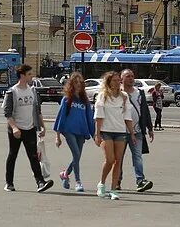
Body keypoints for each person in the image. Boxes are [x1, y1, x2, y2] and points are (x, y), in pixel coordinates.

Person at [2, 64, 53, 193]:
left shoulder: (33, 91)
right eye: (29, 74)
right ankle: (9, 183)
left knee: (33, 156)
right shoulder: (12, 92)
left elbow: (37, 110)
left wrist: (42, 126)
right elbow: (7, 113)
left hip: (30, 128)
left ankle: (40, 182)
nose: (32, 76)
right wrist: (14, 128)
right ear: (22, 75)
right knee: (13, 155)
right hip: (16, 129)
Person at [93, 70, 135, 200]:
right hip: (106, 131)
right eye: (115, 80)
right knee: (110, 159)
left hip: (120, 131)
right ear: (109, 82)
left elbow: (127, 116)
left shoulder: (124, 96)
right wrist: (97, 133)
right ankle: (101, 183)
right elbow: (99, 116)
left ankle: (113, 188)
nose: (117, 83)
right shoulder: (102, 96)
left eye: (118, 80)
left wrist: (132, 133)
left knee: (118, 161)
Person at [52, 72, 94, 193]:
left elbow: (90, 119)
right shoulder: (66, 99)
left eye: (80, 83)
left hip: (81, 131)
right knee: (76, 154)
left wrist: (95, 135)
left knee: (77, 157)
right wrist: (58, 136)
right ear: (71, 84)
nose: (78, 85)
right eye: (75, 83)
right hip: (69, 131)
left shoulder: (85, 101)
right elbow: (60, 117)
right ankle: (78, 181)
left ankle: (65, 174)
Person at [118, 70, 155, 193]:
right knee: (119, 158)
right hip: (120, 132)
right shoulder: (117, 92)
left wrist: (150, 128)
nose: (131, 78)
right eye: (128, 76)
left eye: (132, 76)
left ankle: (140, 180)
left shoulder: (139, 93)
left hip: (137, 130)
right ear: (121, 79)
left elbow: (144, 110)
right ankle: (117, 180)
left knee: (137, 157)